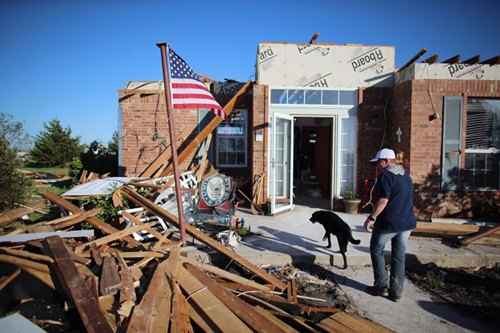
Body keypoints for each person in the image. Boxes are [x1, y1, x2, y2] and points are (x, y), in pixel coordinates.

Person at [363, 148, 416, 302]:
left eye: (378, 163)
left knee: (376, 249)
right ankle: (396, 292)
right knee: (398, 256)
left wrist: (371, 218)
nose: (376, 167)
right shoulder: (406, 176)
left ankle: (380, 286)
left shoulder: (385, 176)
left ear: (386, 161)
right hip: (407, 223)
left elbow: (383, 200)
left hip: (389, 223)